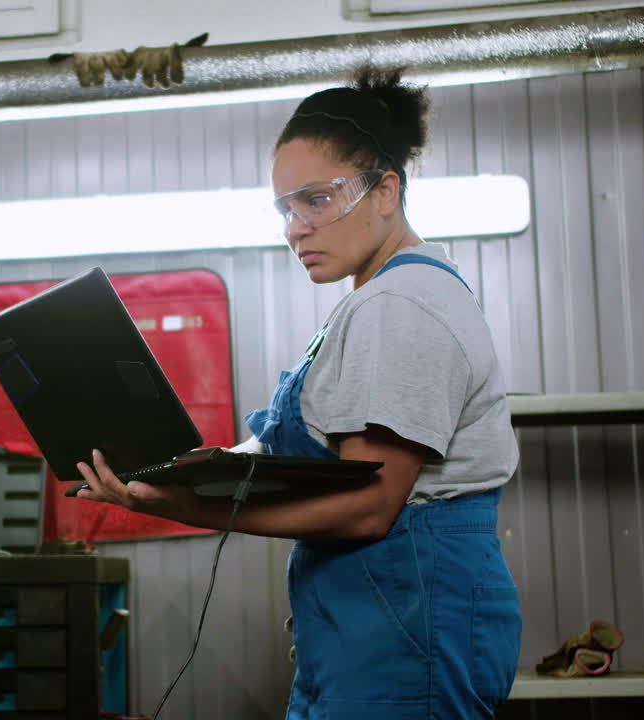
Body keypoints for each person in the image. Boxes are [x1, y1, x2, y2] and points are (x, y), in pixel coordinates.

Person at [75, 65, 523, 719]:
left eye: (318, 199)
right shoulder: (370, 304)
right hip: (365, 635)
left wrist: (185, 506)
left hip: (409, 634)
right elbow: (303, 456)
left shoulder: (403, 304)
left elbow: (370, 508)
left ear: (386, 190)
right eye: (287, 208)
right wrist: (178, 471)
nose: (296, 228)